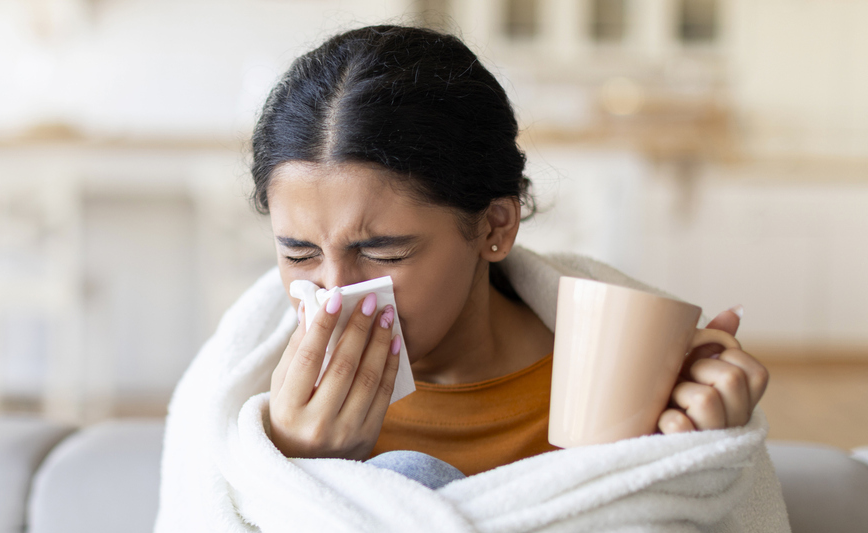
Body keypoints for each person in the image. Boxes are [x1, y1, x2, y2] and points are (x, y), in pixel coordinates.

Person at [252, 25, 769, 488]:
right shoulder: (257, 390)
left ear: (495, 226)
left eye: (384, 251)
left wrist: (698, 460)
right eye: (299, 253)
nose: (335, 292)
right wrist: (294, 470)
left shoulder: (618, 382)